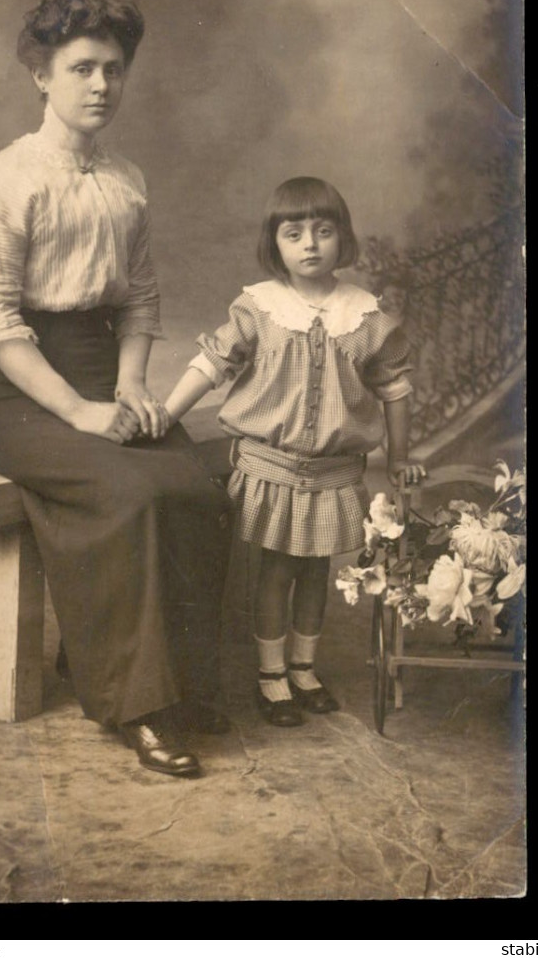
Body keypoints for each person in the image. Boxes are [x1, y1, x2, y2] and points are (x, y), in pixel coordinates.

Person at [0, 0, 232, 776]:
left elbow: (139, 299)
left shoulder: (126, 179)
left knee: (198, 490)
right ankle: (137, 704)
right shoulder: (1, 182)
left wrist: (135, 386)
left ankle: (176, 680)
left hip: (105, 370)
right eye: (81, 68)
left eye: (114, 68)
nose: (101, 84)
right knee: (128, 493)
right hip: (17, 395)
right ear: (40, 75)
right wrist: (79, 410)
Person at [163, 177, 426, 726]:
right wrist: (167, 414)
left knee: (315, 571)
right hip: (271, 466)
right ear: (275, 243)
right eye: (294, 233)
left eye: (323, 231)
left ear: (342, 239)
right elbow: (213, 363)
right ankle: (270, 675)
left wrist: (400, 459)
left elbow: (395, 388)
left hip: (334, 471)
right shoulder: (261, 307)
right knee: (276, 569)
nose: (310, 244)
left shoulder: (364, 316)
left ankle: (305, 668)